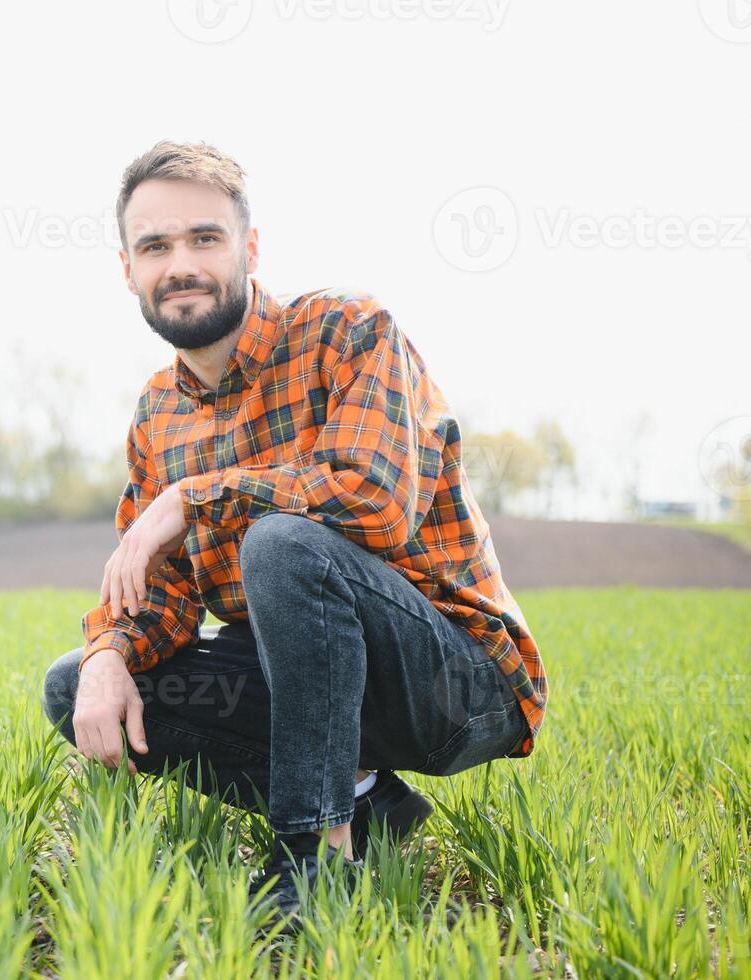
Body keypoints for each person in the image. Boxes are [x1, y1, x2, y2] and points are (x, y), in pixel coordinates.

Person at [40, 139, 549, 933]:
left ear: (248, 247)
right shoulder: (155, 415)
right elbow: (164, 600)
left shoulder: (347, 330)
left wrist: (194, 496)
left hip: (453, 683)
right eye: (155, 246)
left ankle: (317, 858)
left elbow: (371, 497)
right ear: (127, 268)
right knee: (76, 685)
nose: (181, 264)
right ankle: (364, 803)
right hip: (311, 686)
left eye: (204, 238)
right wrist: (108, 651)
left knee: (281, 543)